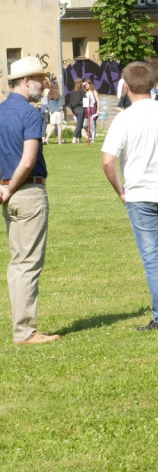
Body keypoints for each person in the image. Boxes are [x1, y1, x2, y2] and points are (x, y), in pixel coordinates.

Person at [101, 61, 158, 332]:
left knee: (153, 257)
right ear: (153, 85)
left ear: (125, 87)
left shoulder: (125, 118)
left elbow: (108, 162)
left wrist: (121, 192)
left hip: (140, 194)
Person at [0, 56, 59, 345]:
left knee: (17, 262)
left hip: (7, 195)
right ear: (25, 81)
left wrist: (4, 188)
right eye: (39, 79)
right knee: (28, 263)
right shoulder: (31, 113)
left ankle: (22, 326)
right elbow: (27, 160)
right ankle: (25, 331)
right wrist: (10, 188)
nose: (43, 85)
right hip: (27, 192)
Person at [43, 81, 65, 145]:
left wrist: (47, 109)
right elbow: (60, 106)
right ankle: (59, 141)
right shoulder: (59, 95)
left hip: (51, 112)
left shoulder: (49, 95)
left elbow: (46, 104)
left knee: (52, 126)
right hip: (58, 112)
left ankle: (46, 139)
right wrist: (62, 113)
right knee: (59, 127)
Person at [68, 78, 86, 144]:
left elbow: (71, 102)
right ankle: (74, 138)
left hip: (75, 109)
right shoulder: (81, 90)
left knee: (79, 123)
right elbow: (85, 99)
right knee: (79, 124)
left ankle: (79, 139)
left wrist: (73, 111)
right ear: (81, 83)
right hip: (81, 108)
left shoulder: (73, 91)